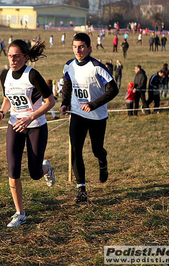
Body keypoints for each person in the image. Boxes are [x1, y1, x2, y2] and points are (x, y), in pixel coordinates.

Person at [0, 39, 56, 227]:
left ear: (25, 57)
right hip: (14, 125)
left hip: (35, 125)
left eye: (16, 56)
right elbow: (7, 99)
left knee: (35, 173)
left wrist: (30, 117)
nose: (12, 59)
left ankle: (46, 168)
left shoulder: (33, 75)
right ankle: (20, 213)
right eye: (10, 55)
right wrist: (2, 113)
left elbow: (50, 102)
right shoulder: (5, 75)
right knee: (13, 170)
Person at [59, 33, 119, 203]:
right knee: (75, 149)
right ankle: (81, 189)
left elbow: (113, 90)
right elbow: (67, 84)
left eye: (81, 47)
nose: (78, 50)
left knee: (96, 149)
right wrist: (65, 102)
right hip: (78, 114)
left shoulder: (97, 67)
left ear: (89, 48)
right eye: (75, 47)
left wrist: (93, 104)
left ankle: (102, 160)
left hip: (97, 116)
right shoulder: (69, 65)